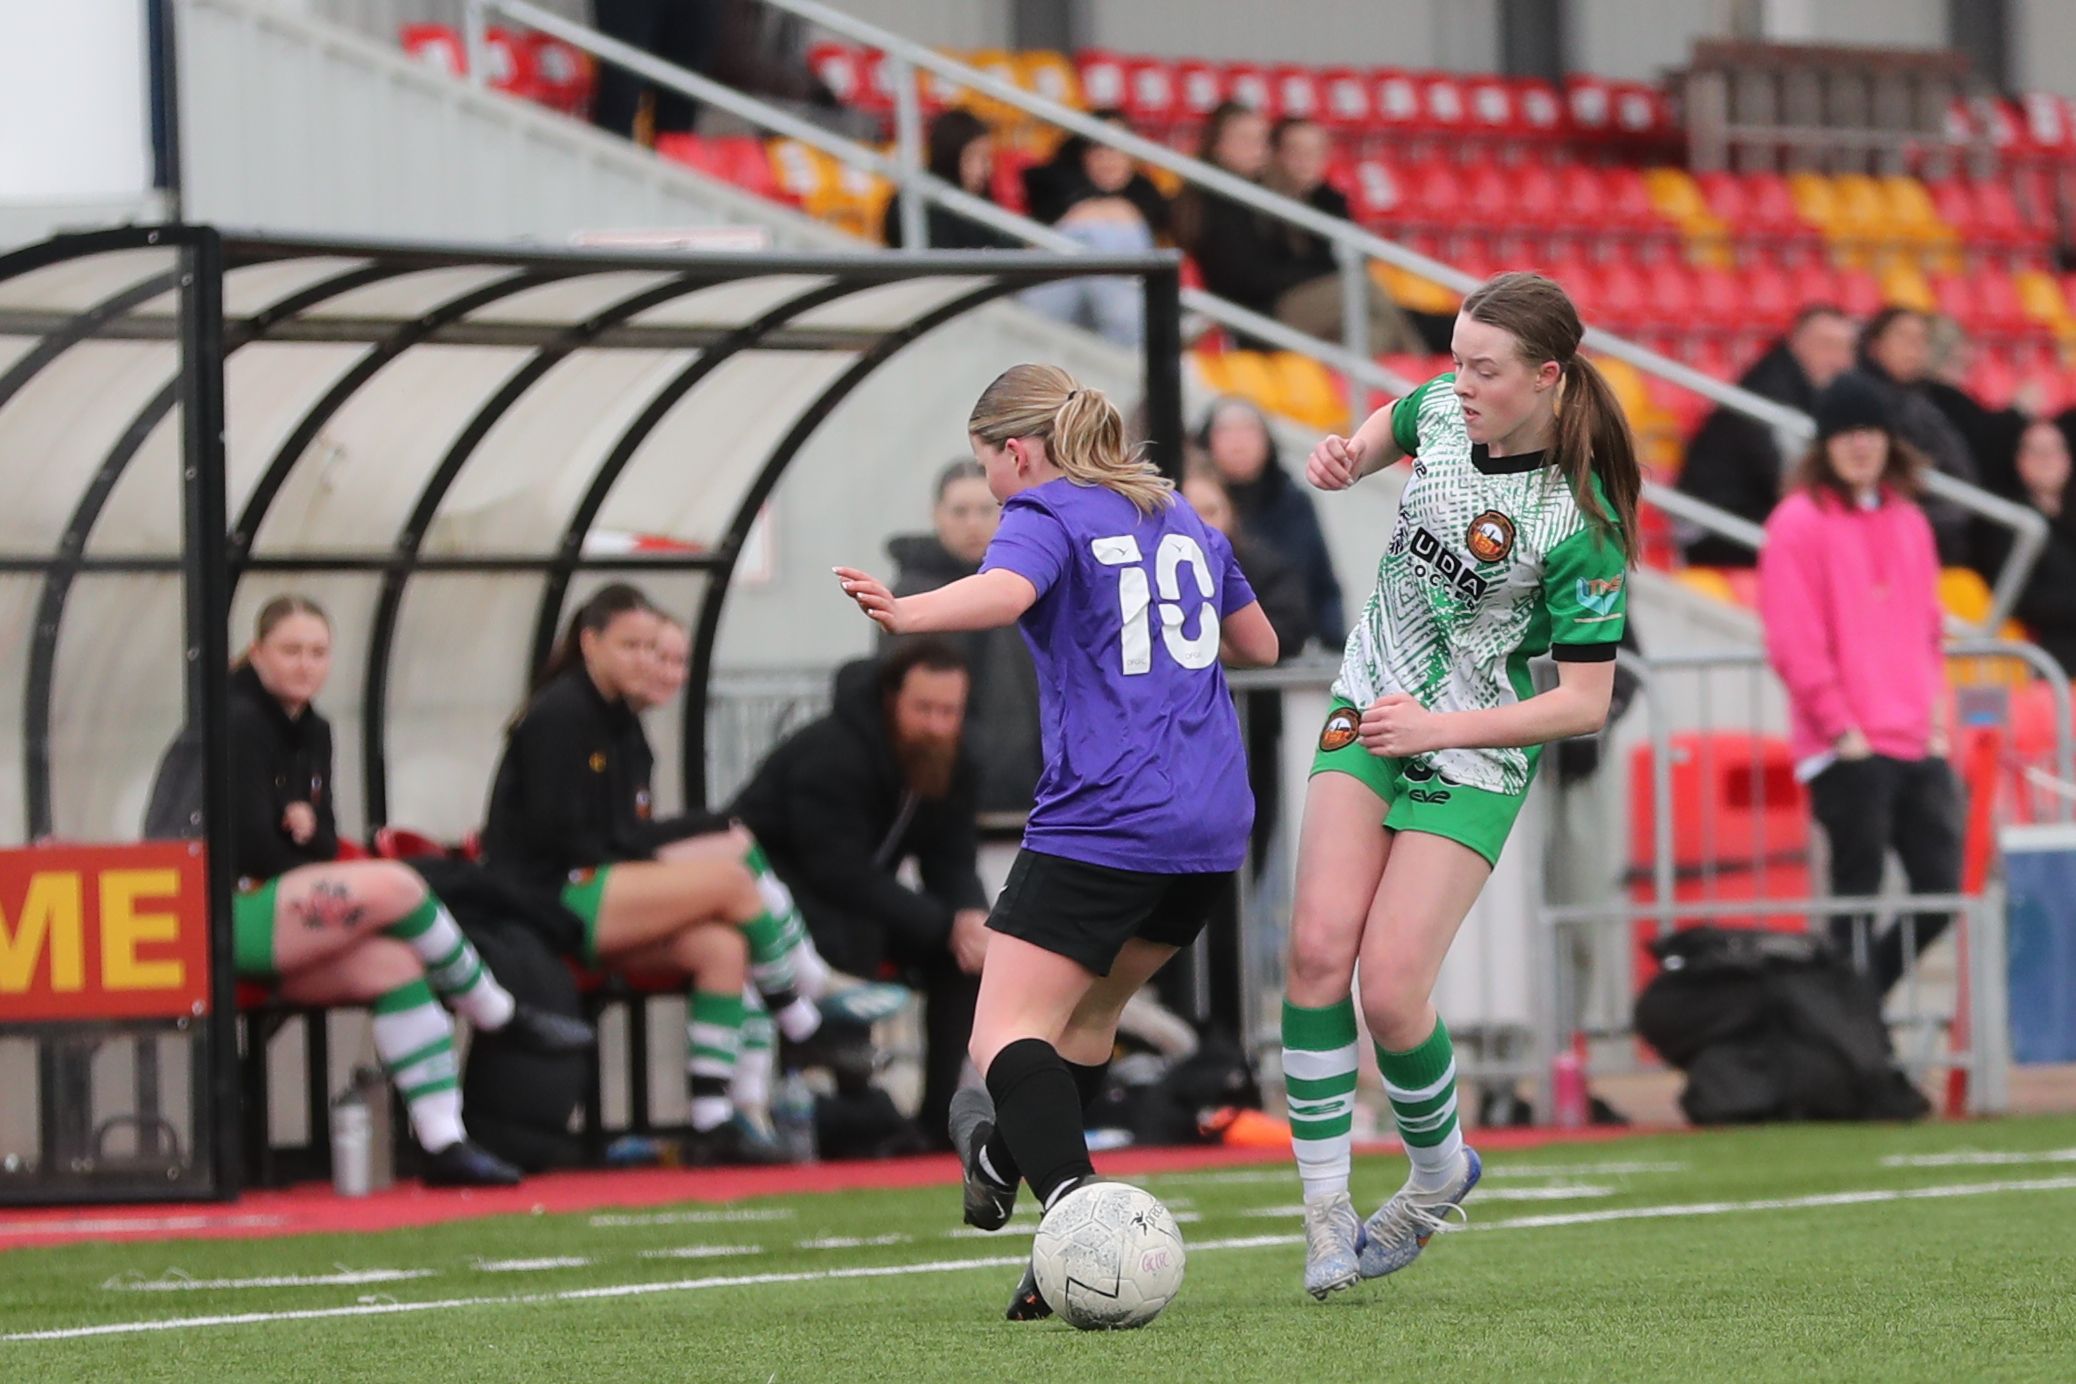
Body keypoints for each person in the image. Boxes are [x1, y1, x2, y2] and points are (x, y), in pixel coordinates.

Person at [833, 363, 1279, 1320]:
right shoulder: (1178, 514)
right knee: (1085, 1024)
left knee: (1002, 1035)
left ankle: (1075, 1230)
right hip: (1209, 821)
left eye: (985, 460)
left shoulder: (1044, 507)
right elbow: (1263, 646)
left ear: (1017, 449)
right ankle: (1002, 1153)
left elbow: (1001, 592)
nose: (991, 482)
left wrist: (909, 612)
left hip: (1106, 815)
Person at [1279, 271, 1638, 1300]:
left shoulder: (1582, 520)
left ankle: (1438, 1171)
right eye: (1455, 357)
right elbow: (1385, 422)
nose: (1459, 382)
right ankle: (1325, 1212)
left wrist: (1442, 725)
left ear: (1546, 377)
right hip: (1369, 702)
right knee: (1314, 952)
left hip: (1471, 742)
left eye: (1483, 367)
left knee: (1391, 989)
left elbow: (1581, 703)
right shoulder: (1441, 407)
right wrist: (1346, 455)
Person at [222, 596, 594, 1187]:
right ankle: (495, 1010)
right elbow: (250, 848)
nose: (305, 665)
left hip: (286, 912)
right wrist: (295, 831)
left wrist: (308, 828)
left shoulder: (313, 728)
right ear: (258, 652)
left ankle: (445, 1143)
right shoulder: (235, 721)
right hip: (227, 914)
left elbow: (321, 844)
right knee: (398, 882)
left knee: (397, 965)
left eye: (318, 652)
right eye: (290, 651)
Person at [482, 583, 832, 1165]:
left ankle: (714, 1119)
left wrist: (681, 838)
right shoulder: (562, 713)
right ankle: (802, 1018)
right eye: (632, 646)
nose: (646, 661)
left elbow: (622, 833)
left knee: (721, 947)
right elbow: (570, 840)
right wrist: (681, 841)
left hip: (598, 887)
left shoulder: (620, 722)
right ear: (590, 643)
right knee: (730, 882)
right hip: (548, 898)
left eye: (655, 648)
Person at [730, 640, 989, 1149]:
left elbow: (952, 860)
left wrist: (971, 921)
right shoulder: (832, 752)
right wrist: (942, 922)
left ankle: (937, 1122)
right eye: (925, 709)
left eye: (949, 712)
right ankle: (828, 1111)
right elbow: (835, 871)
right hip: (779, 906)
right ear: (892, 699)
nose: (938, 725)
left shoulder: (952, 763)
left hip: (857, 904)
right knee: (858, 932)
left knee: (963, 958)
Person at [1759, 373, 1959, 997]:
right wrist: (1839, 726)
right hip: (1846, 745)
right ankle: (1853, 1029)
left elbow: (1929, 630)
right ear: (1825, 444)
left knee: (1942, 888)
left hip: (1913, 740)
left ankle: (1860, 1006)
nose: (1860, 446)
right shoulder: (1796, 522)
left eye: (1870, 432)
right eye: (1846, 434)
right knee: (1855, 897)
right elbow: (1794, 639)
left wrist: (1935, 718)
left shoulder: (1910, 520)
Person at [886, 460, 1043, 817]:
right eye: (960, 511)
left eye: (985, 510)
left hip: (1033, 786)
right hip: (944, 792)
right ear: (937, 515)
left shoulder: (1023, 585)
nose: (973, 524)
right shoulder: (913, 599)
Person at [1676, 304, 1855, 567]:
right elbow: (1789, 482)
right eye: (1826, 345)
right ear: (1796, 342)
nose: (1840, 360)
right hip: (1714, 526)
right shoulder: (1768, 395)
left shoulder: (1812, 390)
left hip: (1748, 513)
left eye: (1846, 348)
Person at [1257, 116, 1420, 354]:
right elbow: (1263, 274)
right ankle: (1423, 366)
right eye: (1296, 151)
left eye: (1315, 151)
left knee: (1374, 331)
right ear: (1277, 154)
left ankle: (1339, 385)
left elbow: (1357, 255)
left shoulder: (1330, 200)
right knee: (1364, 286)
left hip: (1328, 303)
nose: (1306, 160)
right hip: (1278, 308)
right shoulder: (1257, 200)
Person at [1198, 394, 1345, 647]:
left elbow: (1322, 584)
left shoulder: (1293, 503)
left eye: (1248, 431)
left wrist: (1335, 649)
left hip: (1291, 646)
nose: (1238, 443)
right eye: (1226, 432)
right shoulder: (1190, 500)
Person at [1017, 109, 1169, 347]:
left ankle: (1136, 329)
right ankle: (1143, 333)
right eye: (1097, 148)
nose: (1108, 158)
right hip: (1049, 298)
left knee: (1111, 230)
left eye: (1116, 147)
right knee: (1096, 235)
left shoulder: (1144, 192)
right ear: (1083, 152)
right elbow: (1033, 249)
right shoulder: (1056, 185)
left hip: (1103, 306)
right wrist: (1093, 215)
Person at [1846, 307, 1979, 565]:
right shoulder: (1857, 397)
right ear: (1875, 345)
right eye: (1904, 337)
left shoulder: (1926, 402)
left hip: (1929, 535)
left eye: (1920, 340)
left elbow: (1960, 471)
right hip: (1885, 540)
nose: (1914, 348)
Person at [1988, 420, 2076, 676]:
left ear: (2067, 458)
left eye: (2053, 450)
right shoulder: (2008, 520)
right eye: (2035, 451)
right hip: (2050, 650)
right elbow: (2020, 598)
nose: (2046, 459)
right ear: (2019, 460)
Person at [882, 109, 1018, 251]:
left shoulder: (983, 203)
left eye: (988, 158)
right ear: (951, 154)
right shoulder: (913, 203)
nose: (987, 168)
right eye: (976, 157)